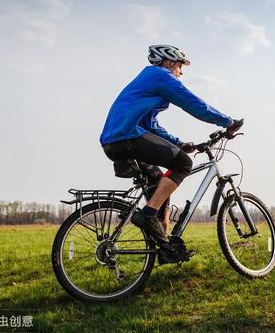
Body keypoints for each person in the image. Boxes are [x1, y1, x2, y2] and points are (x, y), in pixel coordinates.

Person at [99, 44, 240, 244]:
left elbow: (151, 125)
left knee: (158, 183)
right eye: (180, 66)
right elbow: (192, 103)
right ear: (169, 62)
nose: (181, 72)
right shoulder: (160, 76)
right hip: (127, 136)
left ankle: (164, 246)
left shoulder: (148, 80)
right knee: (183, 163)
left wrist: (179, 143)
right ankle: (147, 215)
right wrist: (228, 122)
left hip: (115, 141)